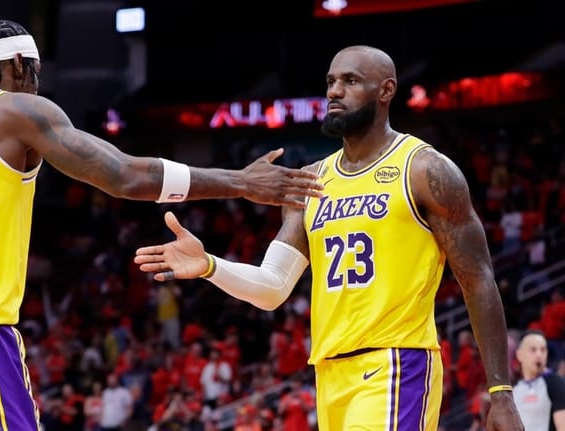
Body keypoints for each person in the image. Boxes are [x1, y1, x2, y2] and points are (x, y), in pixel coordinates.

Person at [0, 19, 324, 431]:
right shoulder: (17, 111)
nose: (39, 87)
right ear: (19, 66)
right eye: (36, 74)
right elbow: (126, 176)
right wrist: (239, 182)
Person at [134, 45, 524, 430]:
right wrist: (209, 266)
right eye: (331, 81)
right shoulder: (309, 181)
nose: (334, 91)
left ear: (386, 91)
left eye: (350, 81)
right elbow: (272, 289)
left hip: (395, 365)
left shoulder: (425, 170)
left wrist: (501, 392)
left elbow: (478, 279)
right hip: (329, 374)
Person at [512, 330, 565, 430]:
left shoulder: (556, 384)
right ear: (519, 355)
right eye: (533, 350)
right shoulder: (514, 388)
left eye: (543, 350)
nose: (539, 355)